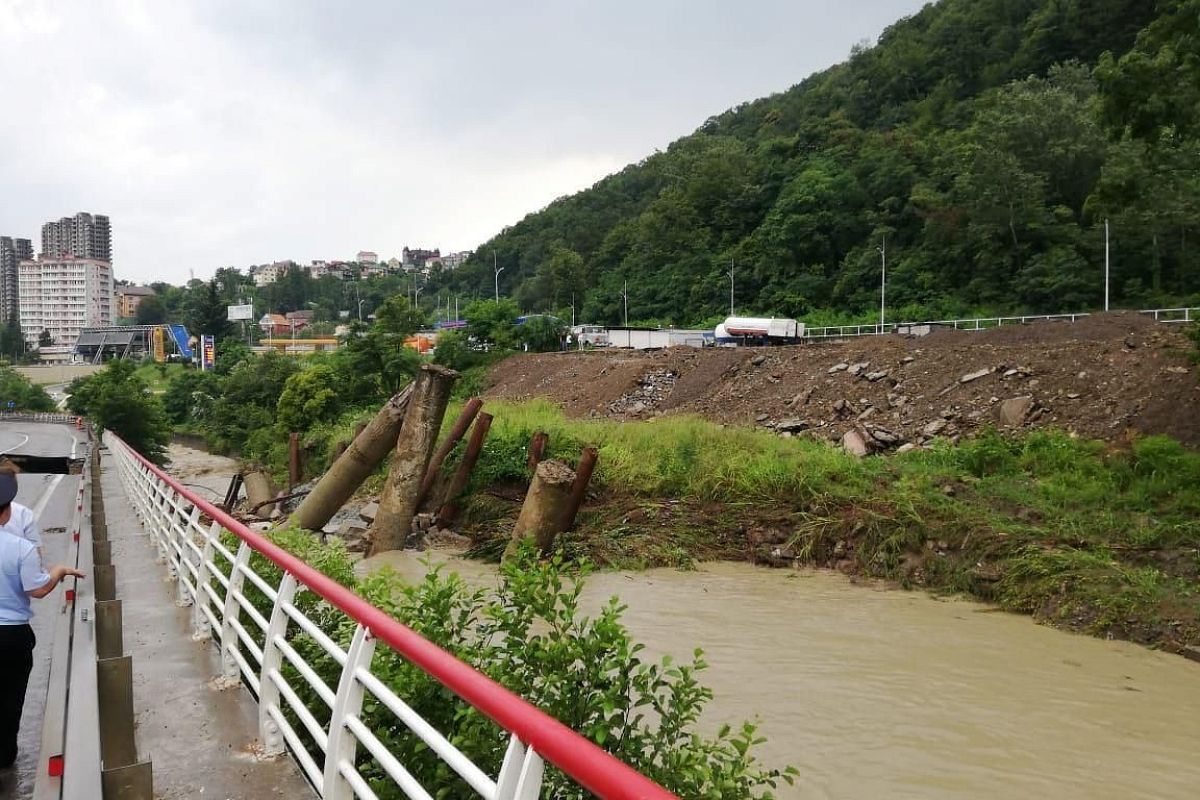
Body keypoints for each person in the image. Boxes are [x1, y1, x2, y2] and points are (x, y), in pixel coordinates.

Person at [0, 471, 84, 770]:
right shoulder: (21, 548)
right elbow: (37, 590)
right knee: (9, 699)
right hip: (11, 637)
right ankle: (3, 755)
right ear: (7, 512)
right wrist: (59, 571)